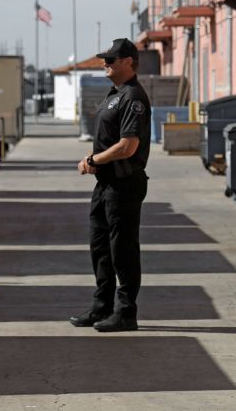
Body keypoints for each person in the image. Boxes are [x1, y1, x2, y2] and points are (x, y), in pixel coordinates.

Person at [70, 38, 151, 332]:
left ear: (128, 62)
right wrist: (97, 163)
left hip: (124, 184)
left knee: (123, 250)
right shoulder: (114, 94)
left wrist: (94, 159)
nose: (105, 63)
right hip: (105, 184)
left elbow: (128, 146)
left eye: (111, 59)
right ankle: (101, 307)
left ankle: (126, 313)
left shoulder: (133, 98)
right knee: (101, 248)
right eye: (105, 59)